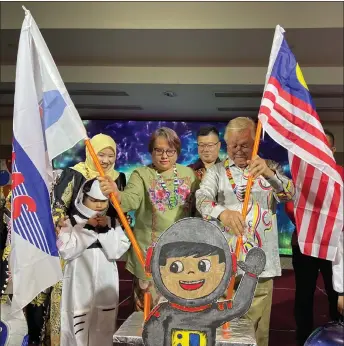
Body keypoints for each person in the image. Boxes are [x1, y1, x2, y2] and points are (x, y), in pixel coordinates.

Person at [195, 117, 295, 346]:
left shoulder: (270, 167)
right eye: (233, 145)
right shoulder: (217, 171)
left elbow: (290, 194)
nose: (238, 150)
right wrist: (222, 213)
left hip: (260, 261)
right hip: (224, 261)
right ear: (226, 144)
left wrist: (270, 174)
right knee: (222, 323)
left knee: (257, 328)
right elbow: (202, 199)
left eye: (245, 144)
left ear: (256, 142)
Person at [99, 127, 199, 310]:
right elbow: (130, 201)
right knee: (147, 317)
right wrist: (116, 194)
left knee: (177, 315)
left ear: (177, 152)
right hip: (148, 255)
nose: (164, 156)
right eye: (158, 150)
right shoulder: (141, 175)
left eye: (170, 151)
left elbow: (196, 212)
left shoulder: (189, 175)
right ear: (151, 151)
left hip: (182, 257)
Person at [47, 133, 128, 346]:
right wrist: (71, 226)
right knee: (75, 311)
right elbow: (58, 208)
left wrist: (109, 228)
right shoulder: (74, 174)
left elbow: (120, 214)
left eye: (111, 155)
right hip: (74, 248)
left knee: (104, 312)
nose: (106, 160)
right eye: (101, 154)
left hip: (106, 248)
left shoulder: (118, 178)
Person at [142, 217, 266, 346]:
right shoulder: (164, 312)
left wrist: (251, 276)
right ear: (154, 265)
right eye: (175, 267)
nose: (191, 273)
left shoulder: (212, 312)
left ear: (229, 266)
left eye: (203, 266)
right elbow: (152, 334)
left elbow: (239, 306)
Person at [285, 129, 343, 345]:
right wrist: (310, 225)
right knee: (304, 293)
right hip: (305, 243)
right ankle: (303, 337)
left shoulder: (341, 175)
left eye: (325, 146)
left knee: (336, 290)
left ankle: (338, 333)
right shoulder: (302, 176)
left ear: (333, 150)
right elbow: (290, 206)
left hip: (334, 244)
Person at [57, 178, 130, 346]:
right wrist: (88, 229)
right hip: (78, 278)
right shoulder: (70, 221)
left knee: (104, 321)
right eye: (94, 200)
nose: (98, 205)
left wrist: (105, 230)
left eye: (103, 201)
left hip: (105, 279)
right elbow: (66, 251)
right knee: (77, 319)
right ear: (83, 197)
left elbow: (116, 251)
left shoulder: (113, 222)